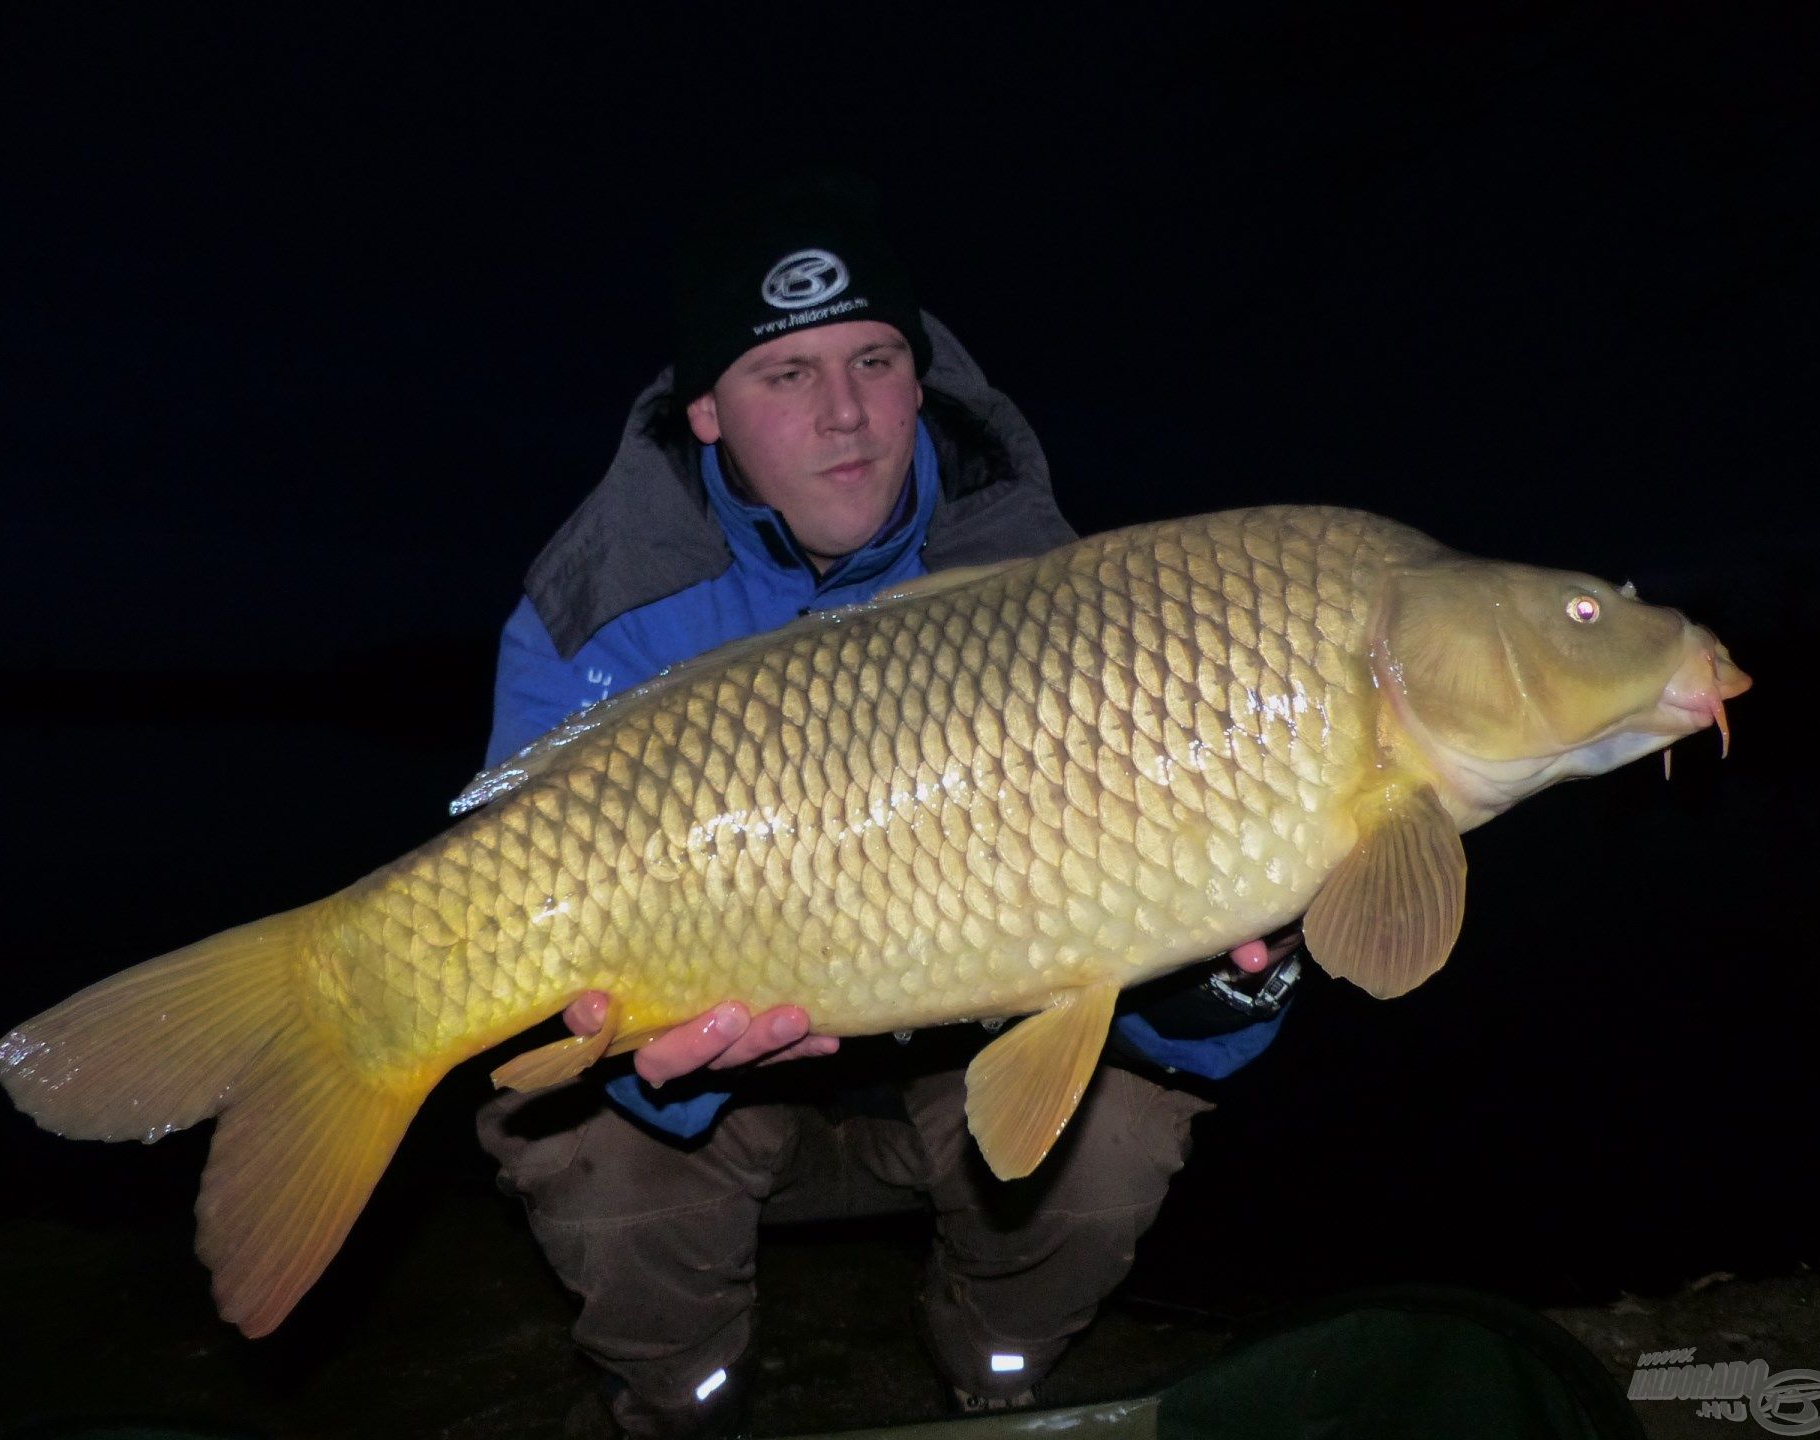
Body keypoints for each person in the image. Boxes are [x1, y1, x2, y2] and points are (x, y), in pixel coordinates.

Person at [474, 174, 1301, 1439]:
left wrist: (1219, 981)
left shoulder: (1049, 581)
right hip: (730, 1093)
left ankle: (995, 1382)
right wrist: (650, 1060)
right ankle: (680, 1404)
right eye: (785, 376)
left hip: (963, 1074)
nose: (847, 413)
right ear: (706, 411)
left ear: (922, 378)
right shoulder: (597, 614)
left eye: (873, 359)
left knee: (1124, 1130)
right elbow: (519, 944)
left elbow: (1180, 976)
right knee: (576, 1141)